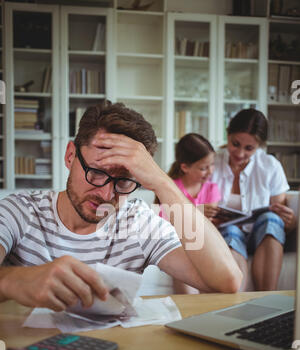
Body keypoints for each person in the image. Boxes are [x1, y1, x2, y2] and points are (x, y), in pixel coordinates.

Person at [0, 102, 242, 312]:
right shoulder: (20, 212)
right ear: (70, 156)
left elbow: (227, 281)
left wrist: (162, 182)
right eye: (96, 173)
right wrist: (13, 281)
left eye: (124, 181)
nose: (106, 194)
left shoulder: (138, 223)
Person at [209, 108, 296, 291]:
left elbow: (281, 219)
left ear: (259, 147)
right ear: (228, 134)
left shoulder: (270, 165)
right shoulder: (211, 163)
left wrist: (290, 221)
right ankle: (235, 306)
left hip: (261, 239)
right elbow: (194, 201)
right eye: (235, 144)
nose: (240, 153)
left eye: (249, 148)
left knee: (271, 219)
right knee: (231, 230)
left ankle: (267, 300)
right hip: (227, 236)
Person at [157, 133, 222, 293]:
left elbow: (211, 226)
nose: (210, 171)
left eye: (212, 165)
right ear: (185, 167)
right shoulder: (171, 187)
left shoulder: (211, 189)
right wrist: (198, 213)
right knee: (186, 258)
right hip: (178, 241)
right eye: (203, 168)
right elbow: (164, 221)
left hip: (204, 241)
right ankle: (189, 312)